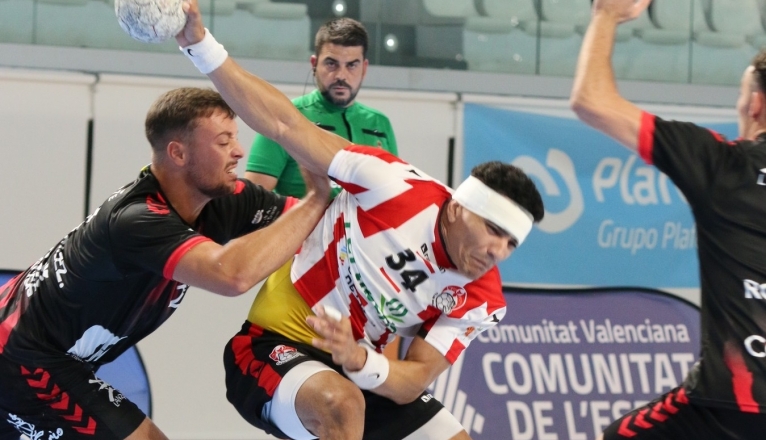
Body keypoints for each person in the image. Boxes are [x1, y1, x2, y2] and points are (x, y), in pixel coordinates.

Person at [175, 2, 544, 439]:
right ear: (460, 207)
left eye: (511, 245)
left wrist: (360, 360)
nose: (497, 252)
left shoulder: (483, 296)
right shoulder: (391, 183)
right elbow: (283, 123)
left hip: (358, 363)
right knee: (341, 405)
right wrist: (200, 44)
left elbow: (413, 382)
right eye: (493, 231)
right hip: (270, 344)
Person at [0, 87, 331, 440]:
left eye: (236, 138)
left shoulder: (224, 198)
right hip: (22, 356)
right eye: (223, 142)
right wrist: (317, 198)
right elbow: (232, 276)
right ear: (178, 153)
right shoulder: (137, 219)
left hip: (47, 355)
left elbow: (317, 225)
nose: (239, 152)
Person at [571, 0, 766, 438]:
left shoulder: (724, 162)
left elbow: (591, 101)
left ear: (755, 104)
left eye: (740, 96)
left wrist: (607, 15)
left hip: (728, 404)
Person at [245, 17, 398, 199]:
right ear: (314, 64)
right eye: (331, 63)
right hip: (304, 226)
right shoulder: (284, 117)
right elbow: (251, 203)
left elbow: (393, 195)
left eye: (352, 65)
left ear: (364, 68)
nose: (341, 75)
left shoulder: (380, 123)